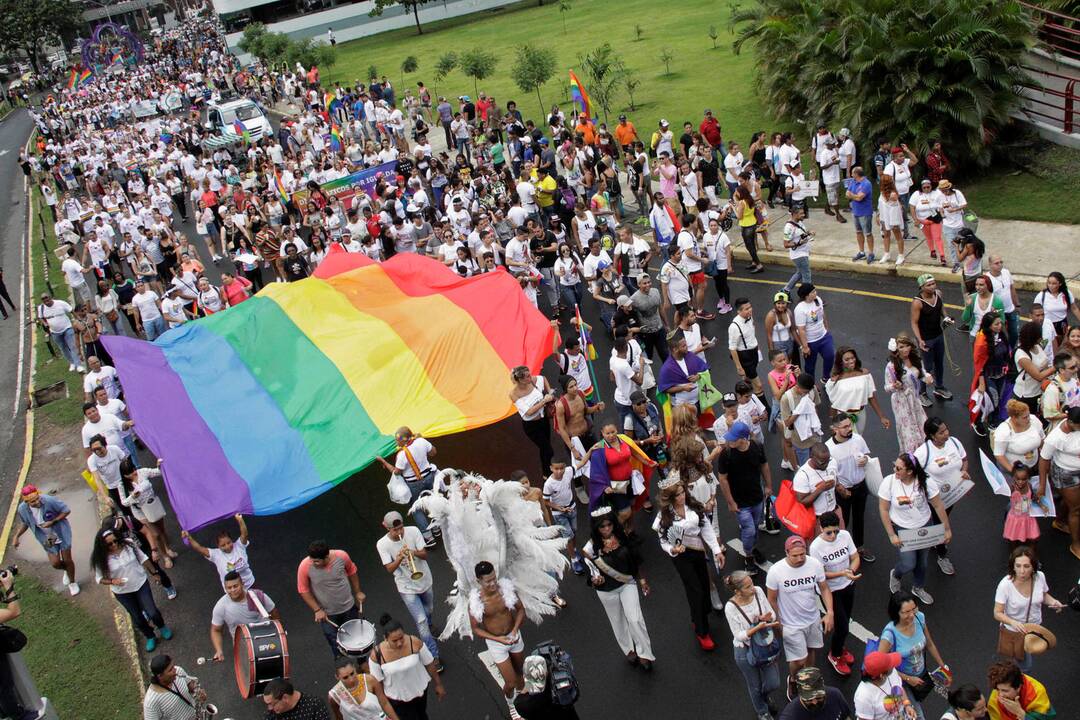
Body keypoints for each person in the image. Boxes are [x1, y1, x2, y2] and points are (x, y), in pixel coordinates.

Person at [653, 474, 727, 650]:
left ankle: (698, 616)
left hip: (698, 551)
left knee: (703, 585)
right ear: (670, 498)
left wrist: (716, 550)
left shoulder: (692, 507)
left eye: (682, 492)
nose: (681, 497)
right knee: (695, 590)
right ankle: (702, 632)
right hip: (681, 557)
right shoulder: (664, 516)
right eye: (677, 495)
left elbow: (705, 527)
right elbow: (663, 540)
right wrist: (672, 549)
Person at [581, 505, 655, 669]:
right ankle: (628, 649)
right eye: (602, 526)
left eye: (609, 525)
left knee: (635, 619)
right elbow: (590, 572)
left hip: (627, 584)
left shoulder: (623, 537)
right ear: (596, 527)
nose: (607, 528)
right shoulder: (590, 548)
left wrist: (642, 580)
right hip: (606, 591)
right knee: (618, 620)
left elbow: (636, 560)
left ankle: (644, 653)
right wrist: (595, 580)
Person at [878, 453, 952, 605]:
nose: (894, 470)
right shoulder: (889, 482)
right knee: (908, 563)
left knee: (922, 562)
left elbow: (938, 505)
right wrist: (891, 534)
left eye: (898, 468)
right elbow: (884, 509)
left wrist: (947, 529)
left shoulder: (926, 482)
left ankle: (918, 587)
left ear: (910, 471)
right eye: (894, 465)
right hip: (902, 529)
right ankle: (896, 575)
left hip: (925, 526)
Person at [766, 536, 833, 697]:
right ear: (786, 552)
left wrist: (830, 612)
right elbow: (772, 600)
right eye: (795, 555)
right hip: (790, 624)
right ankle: (794, 680)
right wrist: (778, 623)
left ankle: (808, 680)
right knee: (799, 660)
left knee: (811, 650)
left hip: (812, 619)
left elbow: (824, 588)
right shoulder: (776, 571)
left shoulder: (814, 565)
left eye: (802, 554)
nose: (800, 558)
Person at [377, 511, 441, 670]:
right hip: (406, 586)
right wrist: (399, 558)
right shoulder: (382, 544)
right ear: (386, 527)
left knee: (429, 609)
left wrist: (412, 553)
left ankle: (430, 622)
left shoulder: (412, 531)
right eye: (395, 530)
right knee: (421, 621)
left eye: (401, 529)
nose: (399, 533)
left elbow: (425, 554)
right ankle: (434, 656)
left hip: (424, 580)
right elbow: (389, 569)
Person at [91, 526, 173, 651]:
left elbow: (143, 558)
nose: (114, 545)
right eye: (109, 544)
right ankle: (150, 636)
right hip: (122, 592)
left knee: (152, 611)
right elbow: (99, 578)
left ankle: (162, 627)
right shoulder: (100, 559)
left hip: (140, 583)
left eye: (115, 541)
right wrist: (113, 581)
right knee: (137, 617)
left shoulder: (129, 545)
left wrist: (155, 573)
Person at [879, 591, 951, 720]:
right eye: (906, 612)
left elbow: (929, 644)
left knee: (915, 704)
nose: (912, 615)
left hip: (920, 674)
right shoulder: (889, 634)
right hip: (900, 681)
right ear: (896, 612)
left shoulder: (919, 617)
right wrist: (907, 679)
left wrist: (942, 666)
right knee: (917, 716)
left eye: (913, 609)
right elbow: (882, 666)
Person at [993, 545, 1065, 673]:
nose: (1022, 571)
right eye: (1018, 566)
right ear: (1012, 566)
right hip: (1014, 631)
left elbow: (1042, 595)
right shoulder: (1005, 585)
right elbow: (997, 613)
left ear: (1033, 567)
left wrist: (1053, 601)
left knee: (1028, 652)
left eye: (1026, 566)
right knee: (1025, 664)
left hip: (1034, 627)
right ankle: (1020, 680)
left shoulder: (1040, 577)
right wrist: (1013, 622)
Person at [724, 569, 781, 720]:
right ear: (737, 591)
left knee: (774, 682)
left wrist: (766, 618)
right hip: (745, 650)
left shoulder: (758, 591)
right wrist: (756, 627)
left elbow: (772, 614)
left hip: (764, 644)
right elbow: (739, 635)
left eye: (752, 584)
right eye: (748, 587)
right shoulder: (730, 607)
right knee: (754, 685)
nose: (753, 588)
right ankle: (762, 711)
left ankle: (763, 697)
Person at [716, 421, 772, 574]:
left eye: (733, 438)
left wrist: (768, 486)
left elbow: (764, 466)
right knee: (749, 530)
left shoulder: (757, 447)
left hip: (756, 496)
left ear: (743, 438)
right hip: (740, 502)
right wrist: (730, 502)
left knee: (754, 526)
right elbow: (723, 479)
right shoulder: (726, 454)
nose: (730, 441)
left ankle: (752, 548)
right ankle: (748, 556)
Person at [809, 511, 860, 677]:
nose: (833, 536)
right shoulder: (816, 547)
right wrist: (843, 573)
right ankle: (835, 654)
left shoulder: (844, 536)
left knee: (846, 619)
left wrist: (850, 571)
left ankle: (840, 647)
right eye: (829, 532)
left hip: (848, 584)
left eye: (836, 531)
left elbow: (855, 557)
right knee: (842, 626)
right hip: (831, 591)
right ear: (821, 528)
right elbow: (821, 575)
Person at [297, 541, 367, 658]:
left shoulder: (342, 556)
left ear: (326, 557)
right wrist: (317, 610)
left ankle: (362, 664)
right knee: (336, 645)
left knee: (357, 640)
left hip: (348, 608)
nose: (313, 563)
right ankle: (343, 669)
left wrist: (358, 591)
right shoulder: (305, 566)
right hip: (328, 615)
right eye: (312, 560)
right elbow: (303, 589)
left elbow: (352, 571)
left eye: (317, 561)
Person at [369, 613, 445, 720]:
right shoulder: (376, 655)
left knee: (422, 715)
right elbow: (377, 684)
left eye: (401, 638)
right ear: (385, 638)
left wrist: (438, 684)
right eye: (394, 641)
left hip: (420, 691)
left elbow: (429, 663)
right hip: (397, 698)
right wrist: (385, 707)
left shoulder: (414, 642)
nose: (399, 643)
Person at [468, 561, 526, 699]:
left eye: (494, 578)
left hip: (514, 637)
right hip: (497, 644)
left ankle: (523, 703)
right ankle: (511, 702)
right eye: (488, 581)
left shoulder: (506, 590)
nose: (493, 583)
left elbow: (521, 610)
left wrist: (515, 630)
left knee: (520, 673)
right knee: (510, 683)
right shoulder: (476, 601)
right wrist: (498, 639)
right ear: (479, 581)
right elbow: (476, 629)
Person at [376, 428, 439, 547]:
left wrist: (383, 461)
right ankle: (436, 528)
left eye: (397, 440)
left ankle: (428, 537)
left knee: (416, 509)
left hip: (414, 484)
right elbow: (433, 452)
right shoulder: (421, 441)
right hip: (429, 477)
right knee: (432, 502)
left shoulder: (402, 455)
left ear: (404, 440)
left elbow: (396, 472)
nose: (396, 442)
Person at [12, 484, 78, 595]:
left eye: (37, 498)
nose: (37, 502)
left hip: (60, 532)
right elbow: (25, 523)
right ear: (27, 502)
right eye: (33, 502)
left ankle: (72, 583)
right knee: (55, 563)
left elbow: (66, 510)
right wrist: (16, 536)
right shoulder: (22, 509)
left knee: (67, 559)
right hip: (48, 537)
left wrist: (53, 521)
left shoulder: (49, 500)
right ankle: (67, 570)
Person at [827, 415, 874, 562]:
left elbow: (866, 454)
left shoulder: (857, 439)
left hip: (860, 486)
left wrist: (865, 459)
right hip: (843, 491)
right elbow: (830, 474)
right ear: (835, 429)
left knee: (859, 518)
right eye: (845, 427)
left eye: (850, 426)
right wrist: (841, 489)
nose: (849, 429)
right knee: (843, 522)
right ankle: (842, 550)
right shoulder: (829, 448)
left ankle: (859, 547)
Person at [210, 570, 280, 662]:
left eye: (235, 586)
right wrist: (219, 651)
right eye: (229, 588)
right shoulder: (221, 606)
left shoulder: (257, 596)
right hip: (243, 650)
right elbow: (216, 630)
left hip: (266, 643)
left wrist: (277, 635)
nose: (232, 590)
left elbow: (275, 614)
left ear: (242, 584)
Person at [827, 346, 890, 434]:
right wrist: (833, 423)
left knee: (858, 439)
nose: (851, 361)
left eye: (853, 358)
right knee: (848, 441)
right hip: (843, 417)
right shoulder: (835, 380)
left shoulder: (864, 374)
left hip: (861, 414)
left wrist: (882, 417)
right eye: (847, 359)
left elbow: (871, 396)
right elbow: (834, 404)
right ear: (840, 362)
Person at [181, 513, 254, 589]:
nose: (227, 546)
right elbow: (199, 548)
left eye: (229, 542)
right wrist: (189, 537)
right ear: (218, 546)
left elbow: (244, 534)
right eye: (223, 545)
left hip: (249, 584)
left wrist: (240, 520)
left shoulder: (239, 546)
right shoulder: (216, 554)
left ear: (231, 540)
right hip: (233, 591)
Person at [910, 275, 952, 404]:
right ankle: (921, 392)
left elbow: (941, 308)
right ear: (921, 287)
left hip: (938, 336)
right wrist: (920, 340)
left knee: (939, 363)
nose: (933, 286)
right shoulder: (918, 302)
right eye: (929, 285)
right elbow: (914, 322)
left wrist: (946, 317)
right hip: (926, 339)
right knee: (926, 367)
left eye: (934, 283)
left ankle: (939, 387)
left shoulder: (938, 294)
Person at [970, 311, 1013, 435]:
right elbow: (979, 364)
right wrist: (982, 383)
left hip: (1001, 374)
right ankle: (978, 421)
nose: (1000, 326)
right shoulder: (981, 340)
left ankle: (993, 420)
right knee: (992, 399)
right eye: (996, 324)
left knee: (997, 399)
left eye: (1000, 323)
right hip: (988, 375)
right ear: (989, 326)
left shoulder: (1000, 335)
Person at [509, 364, 556, 477]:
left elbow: (543, 378)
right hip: (531, 426)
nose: (531, 377)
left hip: (543, 420)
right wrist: (544, 401)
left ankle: (546, 472)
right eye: (527, 376)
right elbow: (528, 412)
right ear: (520, 380)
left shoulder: (533, 380)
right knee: (548, 449)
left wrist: (549, 391)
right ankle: (547, 471)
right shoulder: (513, 394)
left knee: (545, 447)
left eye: (530, 375)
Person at [328, 656, 400, 720]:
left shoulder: (369, 680)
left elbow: (384, 703)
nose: (351, 679)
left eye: (352, 673)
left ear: (354, 668)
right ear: (337, 677)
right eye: (345, 677)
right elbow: (339, 717)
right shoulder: (334, 695)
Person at [514, 654, 581, 719]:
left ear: (525, 676)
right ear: (546, 673)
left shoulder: (521, 704)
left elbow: (524, 692)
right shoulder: (560, 690)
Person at [853, 651, 917, 720]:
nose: (893, 665)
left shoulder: (892, 672)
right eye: (890, 665)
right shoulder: (863, 696)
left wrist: (907, 705)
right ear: (882, 675)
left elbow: (899, 688)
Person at [986, 661, 1056, 720]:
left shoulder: (1037, 692)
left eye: (1005, 691)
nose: (1000, 695)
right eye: (998, 689)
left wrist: (1020, 713)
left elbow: (1047, 717)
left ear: (1018, 687)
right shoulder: (995, 696)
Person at [143, 654, 205, 720]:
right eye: (170, 670)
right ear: (160, 676)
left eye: (173, 666)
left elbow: (191, 686)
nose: (175, 670)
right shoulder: (151, 702)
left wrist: (199, 693)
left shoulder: (178, 670)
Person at [793, 442, 840, 524]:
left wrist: (839, 487)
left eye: (828, 460)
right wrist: (820, 489)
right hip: (817, 518)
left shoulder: (832, 462)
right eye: (822, 462)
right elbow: (802, 502)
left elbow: (836, 479)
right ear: (811, 457)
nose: (826, 465)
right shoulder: (802, 475)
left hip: (834, 510)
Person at [795, 284, 834, 380]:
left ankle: (826, 377)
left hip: (823, 336)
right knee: (810, 366)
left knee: (830, 356)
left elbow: (822, 314)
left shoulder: (818, 300)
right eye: (813, 292)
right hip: (811, 342)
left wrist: (826, 329)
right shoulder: (800, 309)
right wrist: (805, 347)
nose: (815, 293)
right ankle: (811, 384)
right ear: (806, 295)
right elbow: (801, 330)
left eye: (815, 291)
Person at [37, 293, 83, 371]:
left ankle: (78, 364)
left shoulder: (60, 303)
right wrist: (45, 323)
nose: (46, 300)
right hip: (55, 332)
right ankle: (72, 362)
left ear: (50, 297)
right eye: (43, 299)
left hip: (67, 328)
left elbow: (71, 310)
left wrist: (78, 319)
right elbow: (40, 317)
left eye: (47, 298)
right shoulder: (41, 308)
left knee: (72, 346)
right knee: (63, 348)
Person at [263, 678, 331, 719]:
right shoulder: (271, 715)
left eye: (271, 704)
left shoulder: (315, 706)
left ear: (285, 698)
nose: (270, 708)